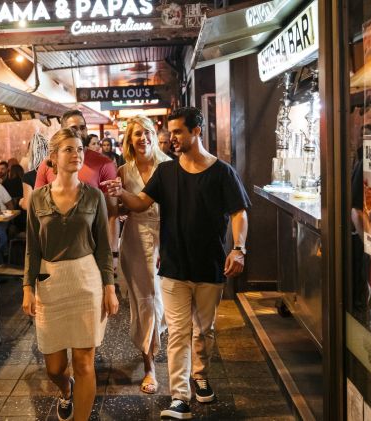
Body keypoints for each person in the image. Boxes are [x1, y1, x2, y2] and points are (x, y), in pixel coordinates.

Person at [103, 107, 251, 419]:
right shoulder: (166, 173)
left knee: (204, 330)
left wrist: (238, 248)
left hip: (210, 265)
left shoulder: (222, 172)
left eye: (179, 132)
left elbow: (239, 212)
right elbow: (141, 203)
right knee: (180, 332)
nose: (172, 139)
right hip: (172, 266)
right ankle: (179, 396)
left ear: (197, 131)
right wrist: (121, 194)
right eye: (170, 133)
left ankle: (200, 375)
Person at [22, 129, 119, 421]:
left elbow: (103, 247)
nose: (77, 154)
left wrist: (110, 287)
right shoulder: (38, 199)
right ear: (52, 157)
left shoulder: (94, 197)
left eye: (79, 149)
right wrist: (28, 288)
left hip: (86, 281)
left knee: (84, 363)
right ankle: (66, 390)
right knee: (53, 367)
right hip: (50, 283)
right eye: (69, 150)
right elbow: (32, 247)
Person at [117, 115, 171, 395]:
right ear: (129, 141)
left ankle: (161, 350)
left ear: (154, 135)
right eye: (136, 134)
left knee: (166, 303)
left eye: (147, 132)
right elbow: (118, 212)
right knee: (145, 302)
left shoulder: (170, 168)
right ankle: (149, 366)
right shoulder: (123, 172)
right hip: (136, 243)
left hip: (168, 241)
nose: (142, 138)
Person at [35, 110, 120, 268]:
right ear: (62, 131)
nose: (80, 132)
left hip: (92, 250)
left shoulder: (105, 164)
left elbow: (112, 214)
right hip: (54, 251)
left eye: (83, 127)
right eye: (75, 128)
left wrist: (113, 253)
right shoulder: (47, 165)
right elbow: (36, 213)